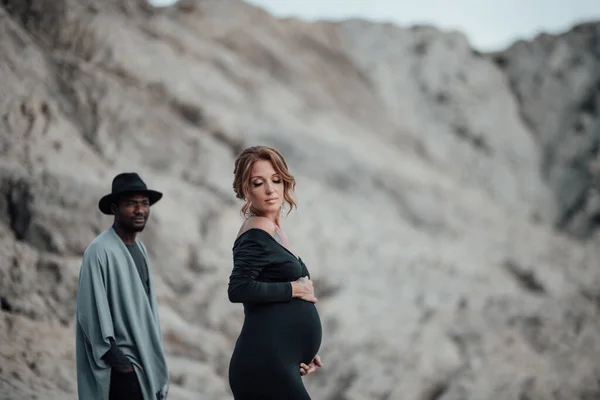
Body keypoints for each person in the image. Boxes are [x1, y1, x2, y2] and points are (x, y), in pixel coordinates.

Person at [227, 146, 324, 400]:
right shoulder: (256, 231)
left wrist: (299, 351)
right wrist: (294, 289)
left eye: (276, 180)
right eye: (259, 183)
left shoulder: (272, 229)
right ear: (246, 190)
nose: (270, 189)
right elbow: (239, 288)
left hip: (279, 359)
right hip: (264, 363)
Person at [75, 172, 170, 400]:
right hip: (121, 371)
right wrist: (122, 364)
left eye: (144, 203)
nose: (140, 210)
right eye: (131, 204)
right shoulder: (99, 251)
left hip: (144, 364)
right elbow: (91, 317)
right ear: (115, 208)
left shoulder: (140, 249)